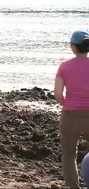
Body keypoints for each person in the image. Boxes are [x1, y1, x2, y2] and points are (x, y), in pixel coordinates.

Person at [54, 30, 89, 189]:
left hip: (70, 115)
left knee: (69, 156)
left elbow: (58, 94)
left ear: (73, 47)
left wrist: (67, 105)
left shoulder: (64, 67)